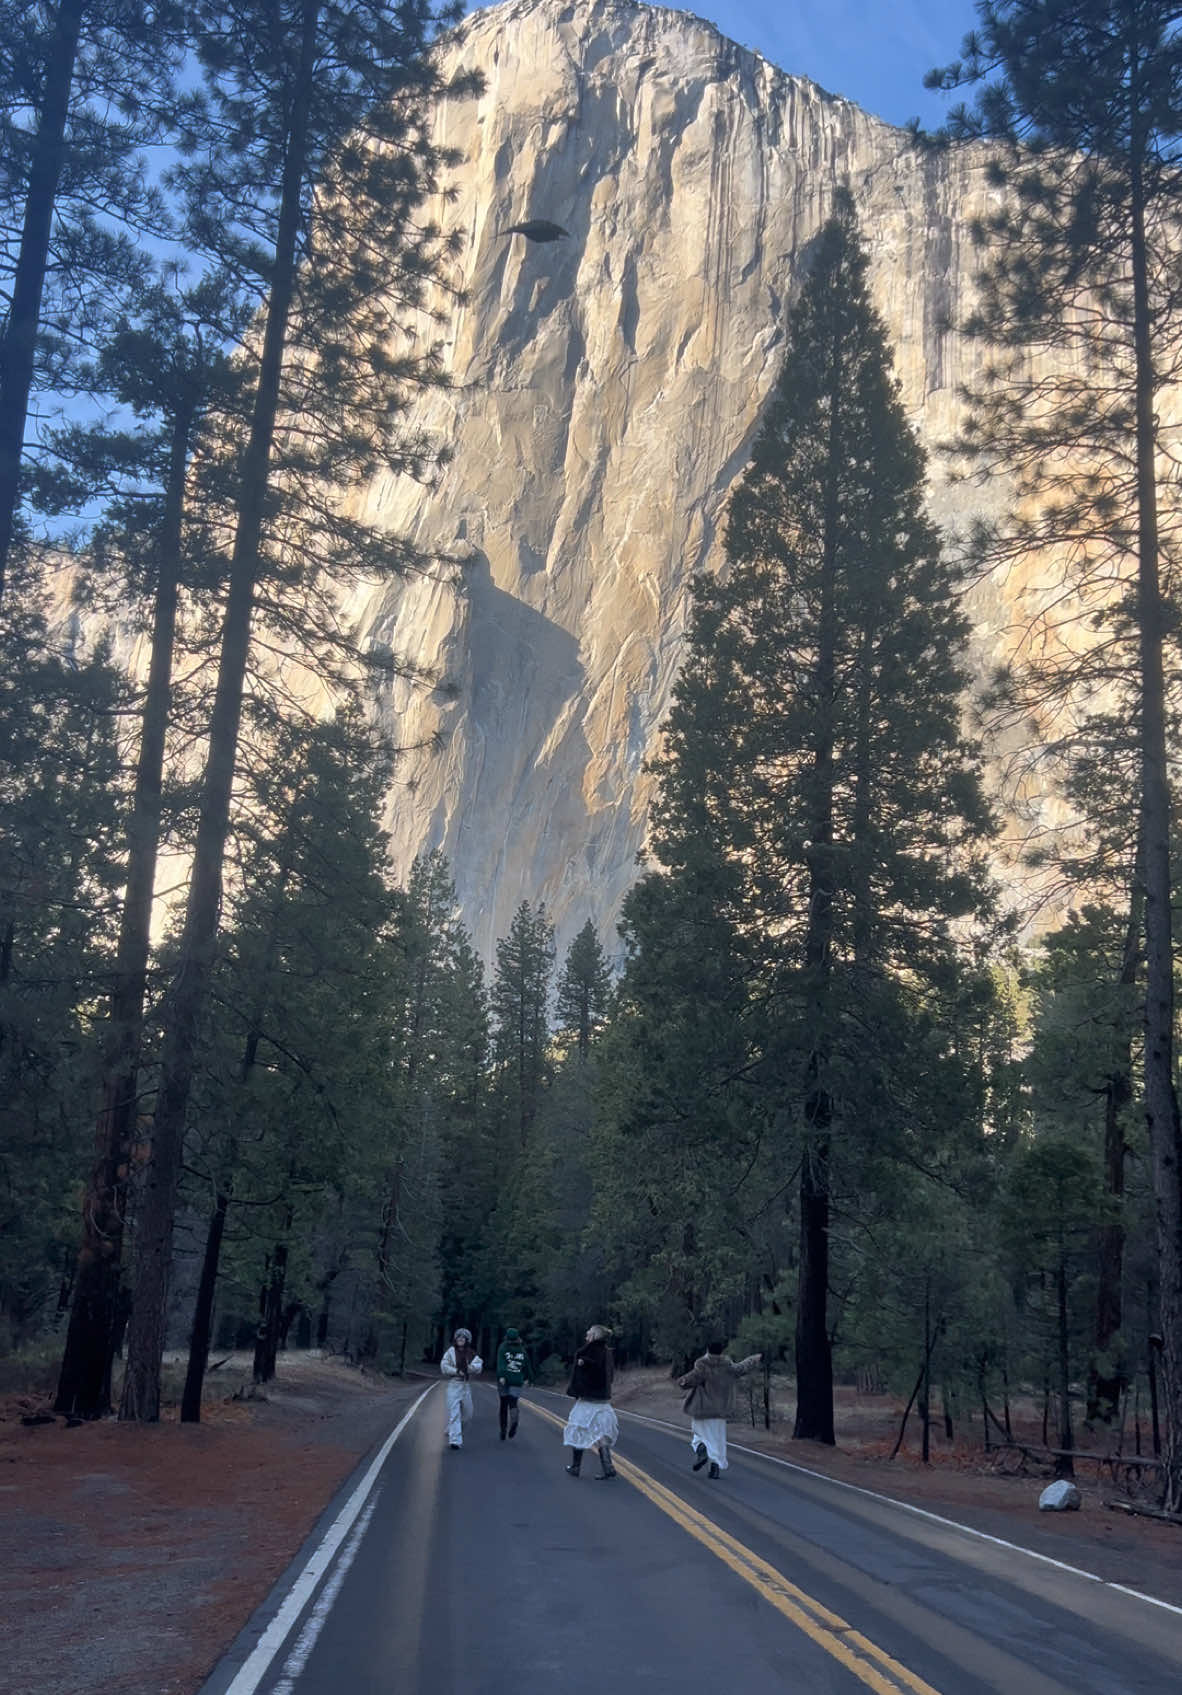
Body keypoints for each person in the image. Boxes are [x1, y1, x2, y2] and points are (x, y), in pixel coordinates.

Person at [678, 1340, 762, 1478]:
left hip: (703, 1409)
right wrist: (754, 1359)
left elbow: (690, 1379)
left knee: (698, 1436)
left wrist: (682, 1381)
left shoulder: (702, 1365)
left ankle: (702, 1450)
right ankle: (714, 1468)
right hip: (721, 1410)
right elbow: (742, 1368)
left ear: (707, 1350)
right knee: (717, 1441)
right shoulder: (728, 1366)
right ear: (722, 1351)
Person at [563, 1323, 618, 1479]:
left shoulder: (590, 1352)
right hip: (603, 1400)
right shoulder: (607, 1353)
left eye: (588, 1334)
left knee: (578, 1428)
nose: (586, 1336)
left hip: (588, 1399)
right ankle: (608, 1467)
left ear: (594, 1336)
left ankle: (575, 1467)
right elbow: (610, 1376)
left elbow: (589, 1372)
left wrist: (583, 1366)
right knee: (601, 1433)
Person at [440, 1327, 483, 1449]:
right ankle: (455, 1441)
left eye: (463, 1337)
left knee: (468, 1415)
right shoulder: (450, 1352)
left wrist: (469, 1368)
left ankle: (452, 1429)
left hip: (465, 1386)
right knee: (454, 1413)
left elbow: (479, 1366)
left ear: (467, 1340)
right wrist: (456, 1371)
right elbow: (444, 1366)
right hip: (454, 1384)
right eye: (459, 1337)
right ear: (455, 1338)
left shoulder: (471, 1353)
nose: (460, 1339)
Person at [495, 1326, 533, 1440]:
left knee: (503, 1405)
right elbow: (527, 1365)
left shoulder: (503, 1347)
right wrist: (529, 1378)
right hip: (517, 1380)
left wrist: (501, 1375)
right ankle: (514, 1420)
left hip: (504, 1380)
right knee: (513, 1402)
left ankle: (503, 1430)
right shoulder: (522, 1350)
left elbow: (501, 1362)